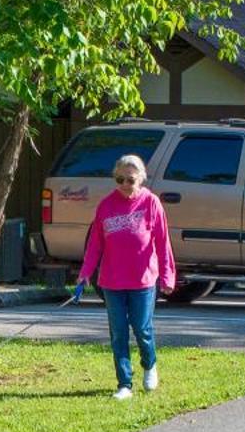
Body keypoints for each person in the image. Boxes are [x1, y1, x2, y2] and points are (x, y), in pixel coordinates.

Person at [73, 153, 176, 399]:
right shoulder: (106, 206)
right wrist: (85, 274)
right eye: (119, 179)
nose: (124, 185)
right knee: (118, 332)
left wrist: (168, 276)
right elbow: (95, 245)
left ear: (141, 179)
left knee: (142, 328)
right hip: (112, 281)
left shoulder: (151, 203)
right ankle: (124, 384)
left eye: (130, 180)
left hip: (143, 280)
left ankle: (149, 364)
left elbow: (163, 243)